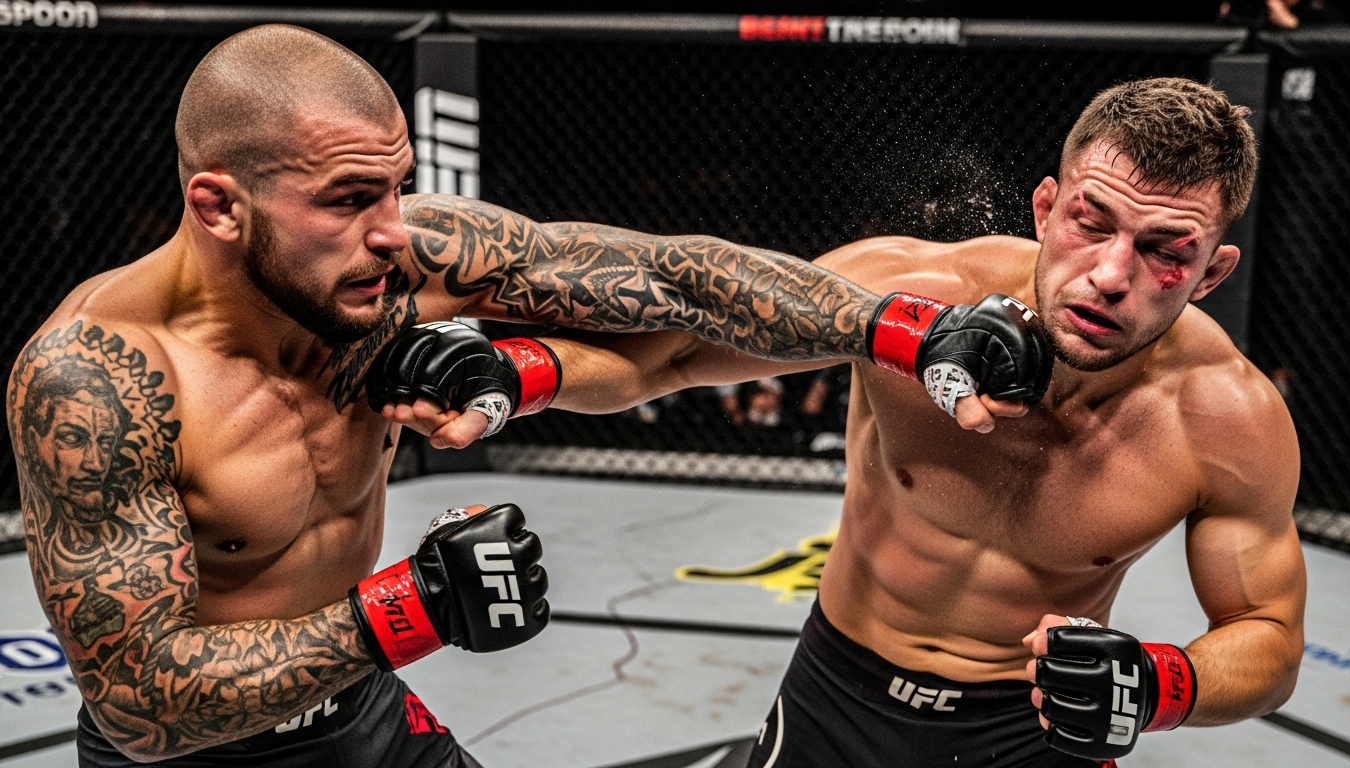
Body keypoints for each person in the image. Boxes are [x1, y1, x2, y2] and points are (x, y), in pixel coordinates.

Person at [5, 24, 1044, 767]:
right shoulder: (97, 382)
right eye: (348, 199)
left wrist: (906, 329)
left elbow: (674, 279)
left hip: (362, 714)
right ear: (218, 206)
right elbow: (138, 699)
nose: (391, 229)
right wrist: (411, 609)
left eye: (396, 186)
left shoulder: (401, 261)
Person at [398, 78, 1305, 766]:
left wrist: (1161, 684)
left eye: (1164, 251)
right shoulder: (909, 290)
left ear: (1211, 274)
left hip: (1032, 730)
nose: (1110, 274)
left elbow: (1268, 636)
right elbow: (668, 356)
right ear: (1045, 208)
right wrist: (515, 373)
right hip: (841, 694)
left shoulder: (1226, 419)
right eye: (1090, 222)